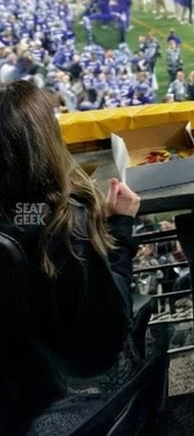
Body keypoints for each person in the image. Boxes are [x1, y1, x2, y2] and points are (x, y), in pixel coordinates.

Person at [0, 81, 141, 435]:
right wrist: (121, 227)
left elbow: (22, 218)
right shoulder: (65, 228)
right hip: (68, 384)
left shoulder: (23, 217)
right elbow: (112, 325)